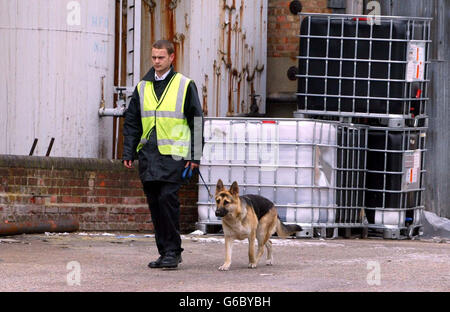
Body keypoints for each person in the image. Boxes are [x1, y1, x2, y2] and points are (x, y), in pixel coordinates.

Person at [122, 39, 204, 269]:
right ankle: (165, 252)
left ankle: (173, 251)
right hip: (148, 155)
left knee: (168, 200)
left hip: (174, 155)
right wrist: (128, 151)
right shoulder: (142, 87)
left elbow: (196, 121)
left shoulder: (185, 85)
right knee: (156, 204)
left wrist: (194, 156)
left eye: (161, 57)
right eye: (154, 58)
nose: (156, 62)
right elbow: (132, 123)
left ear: (171, 57)